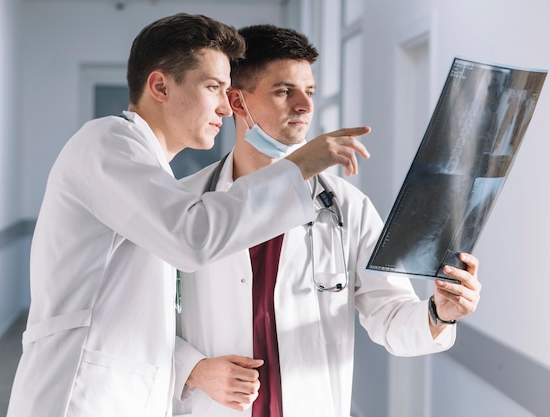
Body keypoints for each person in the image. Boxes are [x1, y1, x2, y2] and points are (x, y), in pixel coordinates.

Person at [5, 14, 372, 417]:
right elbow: (193, 237)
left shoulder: (154, 175)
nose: (223, 105)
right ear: (160, 86)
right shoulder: (107, 143)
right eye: (213, 87)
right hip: (79, 397)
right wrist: (298, 165)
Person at [172, 24, 482, 417]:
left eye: (310, 92)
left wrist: (440, 312)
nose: (304, 106)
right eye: (284, 91)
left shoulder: (345, 207)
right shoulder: (184, 203)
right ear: (237, 101)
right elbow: (141, 321)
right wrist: (194, 371)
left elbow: (388, 315)